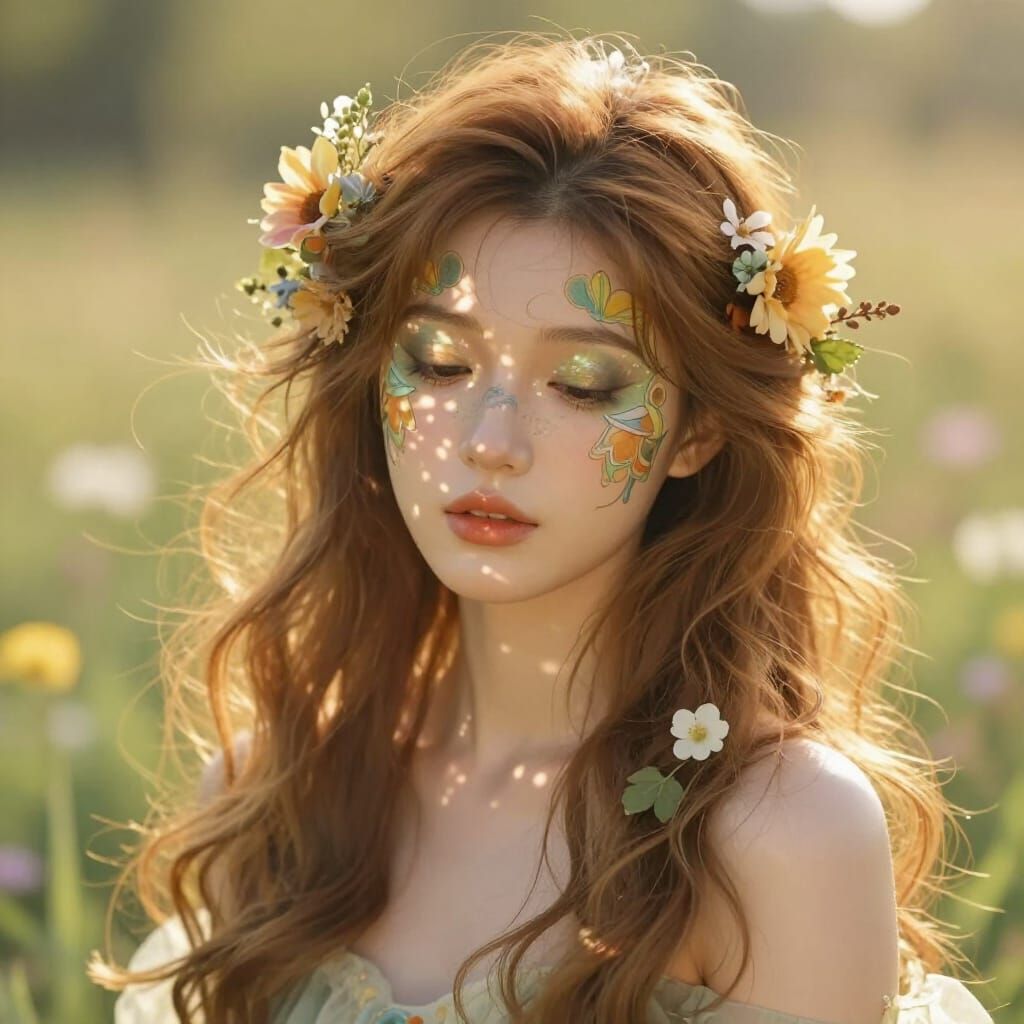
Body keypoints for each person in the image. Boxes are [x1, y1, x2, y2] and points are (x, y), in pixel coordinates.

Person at [90, 32, 995, 1024]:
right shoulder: (278, 793)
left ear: (695, 428)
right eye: (437, 362)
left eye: (584, 382)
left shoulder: (773, 835)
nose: (490, 441)